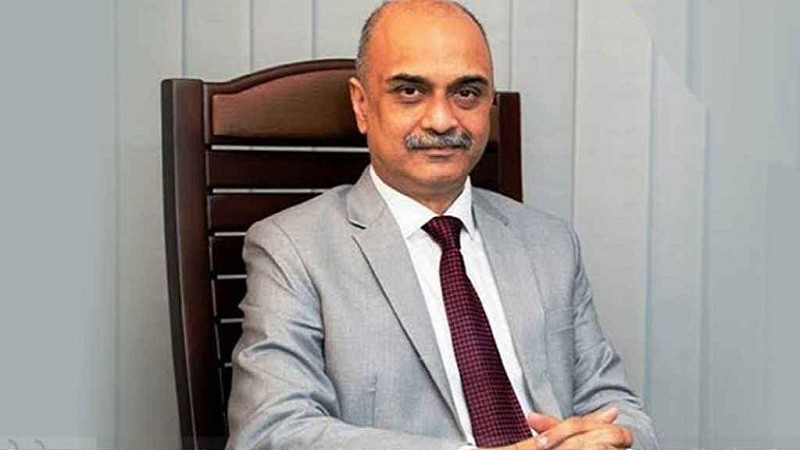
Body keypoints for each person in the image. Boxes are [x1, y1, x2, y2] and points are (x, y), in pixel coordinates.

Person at [226, 1, 658, 449]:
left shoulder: (550, 244)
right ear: (362, 104)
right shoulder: (293, 250)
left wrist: (615, 439)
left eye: (466, 93)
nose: (441, 120)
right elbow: (271, 431)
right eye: (410, 91)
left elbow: (620, 410)